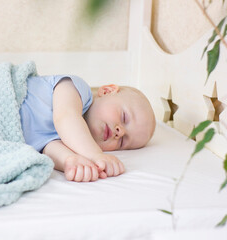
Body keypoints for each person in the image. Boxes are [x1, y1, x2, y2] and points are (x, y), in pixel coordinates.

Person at [19, 75, 156, 182]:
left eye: (123, 142)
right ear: (107, 91)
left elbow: (48, 149)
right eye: (124, 117)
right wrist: (96, 155)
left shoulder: (75, 144)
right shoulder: (76, 88)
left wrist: (71, 160)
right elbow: (66, 117)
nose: (120, 132)